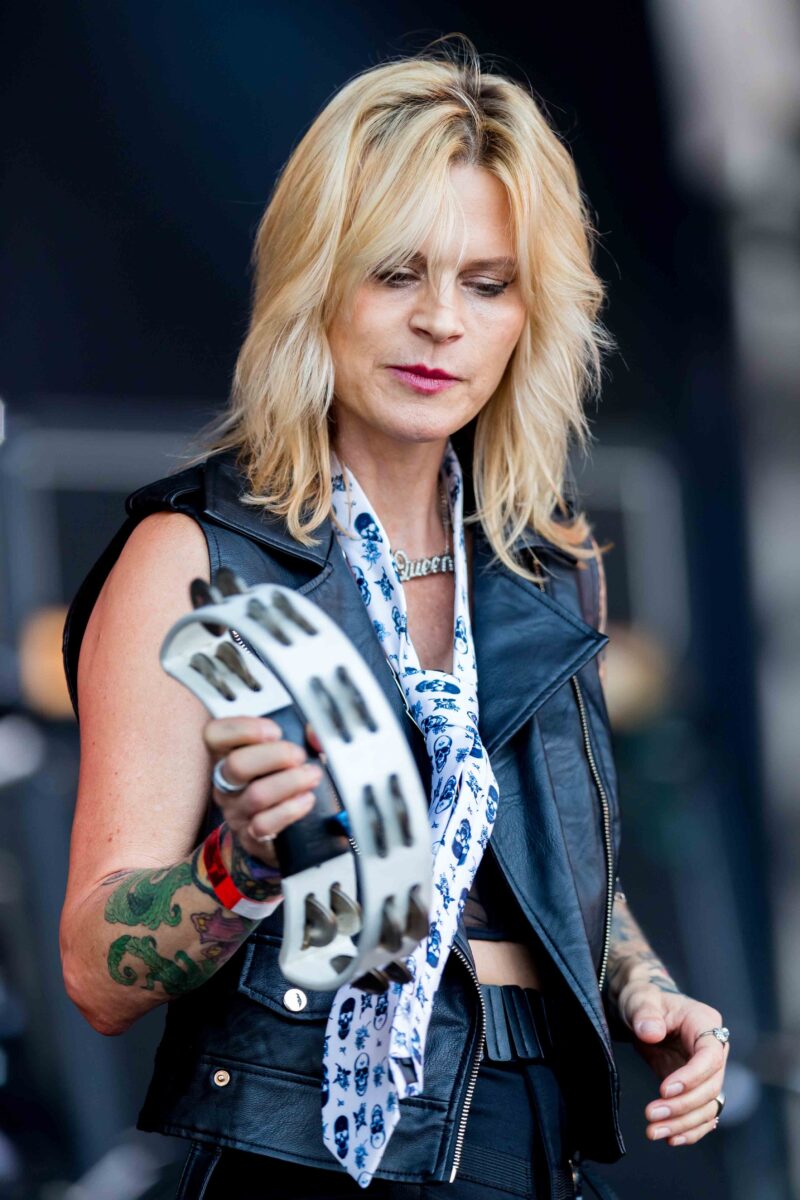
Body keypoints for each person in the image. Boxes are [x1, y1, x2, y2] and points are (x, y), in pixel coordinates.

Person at [60, 35, 730, 1200]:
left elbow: (538, 855)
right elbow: (93, 971)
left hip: (533, 1137)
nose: (439, 323)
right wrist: (242, 865)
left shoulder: (543, 564)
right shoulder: (199, 556)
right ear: (316, 283)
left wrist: (641, 985)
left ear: (531, 314)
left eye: (486, 284)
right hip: (306, 1147)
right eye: (394, 274)